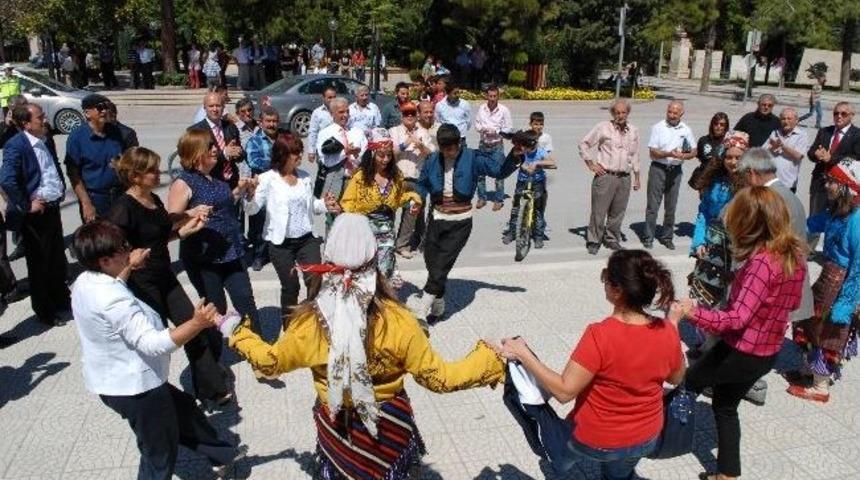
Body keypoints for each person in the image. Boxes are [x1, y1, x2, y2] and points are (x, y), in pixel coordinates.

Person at [225, 213, 505, 478]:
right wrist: (491, 358)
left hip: (338, 431)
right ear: (374, 262)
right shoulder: (400, 321)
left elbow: (270, 363)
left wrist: (236, 331)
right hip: (389, 432)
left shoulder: (307, 323)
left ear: (328, 260)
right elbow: (440, 379)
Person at [69, 220, 246, 479]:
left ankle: (222, 454)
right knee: (158, 453)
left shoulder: (85, 280)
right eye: (123, 248)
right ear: (105, 261)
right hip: (135, 387)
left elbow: (116, 283)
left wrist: (128, 265)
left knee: (183, 410)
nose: (129, 250)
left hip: (117, 379)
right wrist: (196, 323)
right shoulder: (112, 300)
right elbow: (153, 344)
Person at [500, 249, 685, 480]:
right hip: (646, 436)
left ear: (617, 290)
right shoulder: (667, 330)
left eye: (606, 277)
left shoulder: (601, 335)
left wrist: (523, 354)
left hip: (596, 439)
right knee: (618, 473)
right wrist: (674, 326)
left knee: (559, 456)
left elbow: (565, 391)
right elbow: (676, 379)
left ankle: (560, 465)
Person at [671, 186, 807, 480]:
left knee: (687, 383)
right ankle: (727, 474)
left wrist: (692, 312)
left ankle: (643, 437)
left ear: (751, 222)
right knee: (725, 405)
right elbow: (792, 303)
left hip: (739, 351)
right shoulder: (793, 256)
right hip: (767, 353)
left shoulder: (762, 262)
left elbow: (736, 318)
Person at [107, 147, 233, 406]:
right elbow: (111, 252)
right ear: (135, 176)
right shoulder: (122, 209)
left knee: (193, 328)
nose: (157, 173)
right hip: (142, 284)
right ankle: (153, 394)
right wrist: (129, 263)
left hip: (165, 276)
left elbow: (159, 236)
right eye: (151, 170)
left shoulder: (152, 198)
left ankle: (211, 388)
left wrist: (184, 232)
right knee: (154, 343)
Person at [413, 124, 522, 322]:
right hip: (437, 219)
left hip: (460, 223)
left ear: (459, 144)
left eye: (453, 149)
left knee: (441, 267)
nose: (450, 153)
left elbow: (498, 171)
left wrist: (515, 154)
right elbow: (422, 183)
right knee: (432, 264)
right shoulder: (432, 159)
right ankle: (438, 305)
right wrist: (417, 199)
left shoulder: (472, 157)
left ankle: (421, 313)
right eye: (445, 149)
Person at [167, 130, 260, 333]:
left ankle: (260, 351)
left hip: (231, 252)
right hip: (204, 258)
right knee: (216, 310)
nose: (214, 150)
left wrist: (240, 189)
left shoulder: (215, 178)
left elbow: (223, 205)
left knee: (246, 300)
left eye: (213, 146)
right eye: (209, 147)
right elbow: (170, 223)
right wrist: (191, 213)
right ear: (195, 152)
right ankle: (214, 358)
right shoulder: (183, 183)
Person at [787, 158, 860, 403]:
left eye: (832, 181)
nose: (827, 185)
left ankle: (820, 386)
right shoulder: (835, 213)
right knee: (808, 321)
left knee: (827, 331)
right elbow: (810, 224)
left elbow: (859, 267)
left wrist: (847, 303)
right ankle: (810, 369)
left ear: (847, 187)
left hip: (843, 281)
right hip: (829, 276)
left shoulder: (856, 221)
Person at [244, 135, 330, 322]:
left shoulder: (305, 177)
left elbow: (311, 206)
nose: (300, 155)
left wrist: (325, 204)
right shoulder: (268, 179)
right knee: (291, 287)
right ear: (283, 155)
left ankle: (313, 322)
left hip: (306, 239)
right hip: (281, 243)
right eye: (295, 152)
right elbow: (252, 210)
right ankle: (289, 327)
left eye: (300, 151)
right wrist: (250, 194)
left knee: (315, 280)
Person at [0, 104, 70, 327]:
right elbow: (7, 179)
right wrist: (26, 204)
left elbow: (52, 166)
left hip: (51, 207)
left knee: (57, 258)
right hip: (34, 215)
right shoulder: (15, 146)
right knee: (40, 264)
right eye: (40, 118)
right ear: (26, 124)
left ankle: (62, 300)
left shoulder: (46, 139)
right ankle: (45, 311)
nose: (45, 120)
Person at [332, 129, 422, 288]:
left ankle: (383, 304)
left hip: (386, 232)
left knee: (384, 271)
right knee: (363, 274)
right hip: (363, 232)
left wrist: (413, 201)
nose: (385, 159)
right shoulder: (360, 177)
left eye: (389, 155)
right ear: (372, 154)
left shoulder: (396, 176)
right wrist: (337, 209)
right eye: (381, 155)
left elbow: (399, 198)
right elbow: (348, 204)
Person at [738, 148, 813, 326]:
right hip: (792, 284)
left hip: (773, 289)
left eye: (744, 177)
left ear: (751, 173)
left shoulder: (766, 201)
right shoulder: (791, 197)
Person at [578, 99, 640, 255]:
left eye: (623, 112)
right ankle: (594, 240)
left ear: (628, 113)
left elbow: (635, 155)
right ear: (612, 113)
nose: (620, 115)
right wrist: (590, 164)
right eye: (617, 112)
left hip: (624, 176)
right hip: (606, 175)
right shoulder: (602, 127)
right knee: (599, 211)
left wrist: (637, 176)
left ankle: (611, 238)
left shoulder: (633, 130)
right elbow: (584, 144)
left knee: (618, 211)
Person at [644, 100, 697, 250]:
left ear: (681, 113)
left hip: (675, 171)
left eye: (675, 112)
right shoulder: (658, 127)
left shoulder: (685, 129)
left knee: (671, 206)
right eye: (670, 112)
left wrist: (684, 156)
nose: (672, 115)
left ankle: (667, 236)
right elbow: (652, 151)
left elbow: (694, 151)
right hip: (658, 168)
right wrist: (669, 153)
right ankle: (648, 236)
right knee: (653, 205)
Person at [806, 102, 860, 248]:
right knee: (815, 216)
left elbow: (856, 158)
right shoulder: (825, 131)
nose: (839, 116)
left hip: (842, 186)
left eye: (843, 114)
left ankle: (832, 251)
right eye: (836, 113)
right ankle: (809, 249)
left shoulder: (857, 135)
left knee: (840, 218)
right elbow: (811, 152)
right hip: (820, 181)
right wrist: (816, 155)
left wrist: (832, 159)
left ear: (851, 116)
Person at [65, 93, 126, 221]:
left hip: (118, 195)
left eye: (106, 107)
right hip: (95, 198)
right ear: (87, 113)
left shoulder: (115, 131)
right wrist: (86, 203)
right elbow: (73, 174)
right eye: (100, 108)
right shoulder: (77, 138)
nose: (104, 111)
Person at [390, 102, 434, 259]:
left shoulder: (423, 132)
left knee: (411, 213)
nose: (409, 116)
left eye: (412, 114)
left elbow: (431, 154)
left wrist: (420, 145)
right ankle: (387, 242)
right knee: (389, 212)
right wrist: (405, 144)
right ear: (401, 116)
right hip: (396, 178)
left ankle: (402, 245)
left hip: (416, 178)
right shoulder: (393, 131)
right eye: (406, 114)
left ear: (416, 116)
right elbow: (389, 153)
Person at [315, 97, 368, 221]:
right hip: (334, 182)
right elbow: (326, 162)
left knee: (352, 219)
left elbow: (365, 155)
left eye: (347, 111)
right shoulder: (326, 133)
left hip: (355, 181)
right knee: (333, 220)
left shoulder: (357, 132)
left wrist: (356, 156)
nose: (345, 115)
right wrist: (345, 153)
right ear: (332, 113)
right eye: (341, 112)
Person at [501, 130, 555, 249]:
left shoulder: (540, 151)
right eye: (523, 147)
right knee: (516, 209)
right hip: (522, 181)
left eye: (527, 148)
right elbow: (517, 160)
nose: (524, 150)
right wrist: (525, 166)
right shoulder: (521, 150)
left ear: (534, 145)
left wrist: (537, 163)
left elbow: (552, 162)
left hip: (537, 183)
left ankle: (538, 236)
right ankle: (512, 232)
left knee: (537, 211)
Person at [244, 106, 280, 271]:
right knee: (259, 222)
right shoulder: (254, 140)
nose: (272, 125)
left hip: (280, 185)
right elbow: (254, 162)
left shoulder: (283, 138)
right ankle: (258, 256)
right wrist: (277, 164)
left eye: (274, 121)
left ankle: (275, 253)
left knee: (277, 219)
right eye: (268, 121)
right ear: (261, 122)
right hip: (262, 186)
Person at [189, 91, 246, 189]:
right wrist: (224, 154)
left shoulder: (231, 127)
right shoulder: (195, 131)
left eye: (218, 106)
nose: (215, 109)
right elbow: (196, 160)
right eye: (211, 106)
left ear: (223, 108)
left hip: (232, 183)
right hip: (209, 183)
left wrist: (238, 152)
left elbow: (240, 156)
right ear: (204, 108)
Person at [474, 84, 513, 211]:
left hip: (497, 145)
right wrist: (482, 129)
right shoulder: (481, 108)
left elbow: (509, 129)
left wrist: (496, 131)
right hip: (483, 144)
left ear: (498, 96)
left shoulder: (504, 110)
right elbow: (477, 124)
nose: (492, 98)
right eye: (490, 96)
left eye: (494, 96)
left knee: (499, 173)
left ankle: (498, 199)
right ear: (486, 96)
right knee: (480, 173)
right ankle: (482, 198)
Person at [764, 107, 809, 193]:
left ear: (796, 120)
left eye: (789, 118)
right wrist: (771, 148)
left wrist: (782, 146)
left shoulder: (801, 135)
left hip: (787, 184)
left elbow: (798, 156)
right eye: (783, 119)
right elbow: (763, 151)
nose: (786, 121)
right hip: (769, 181)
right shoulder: (774, 133)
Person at [690, 112, 729, 189]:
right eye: (716, 124)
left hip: (723, 182)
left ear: (726, 127)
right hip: (705, 181)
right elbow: (700, 157)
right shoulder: (703, 140)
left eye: (722, 125)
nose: (718, 127)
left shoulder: (729, 141)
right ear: (712, 125)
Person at [306, 86, 337, 165]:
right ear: (323, 98)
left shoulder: (340, 111)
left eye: (334, 97)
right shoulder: (317, 113)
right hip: (323, 150)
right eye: (329, 97)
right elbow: (313, 132)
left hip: (338, 149)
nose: (332, 100)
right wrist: (311, 151)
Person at [434, 83, 471, 147]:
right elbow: (438, 121)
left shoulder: (464, 104)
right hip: (446, 139)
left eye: (458, 92)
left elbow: (469, 122)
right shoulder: (439, 105)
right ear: (447, 93)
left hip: (461, 139)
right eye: (455, 93)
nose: (457, 95)